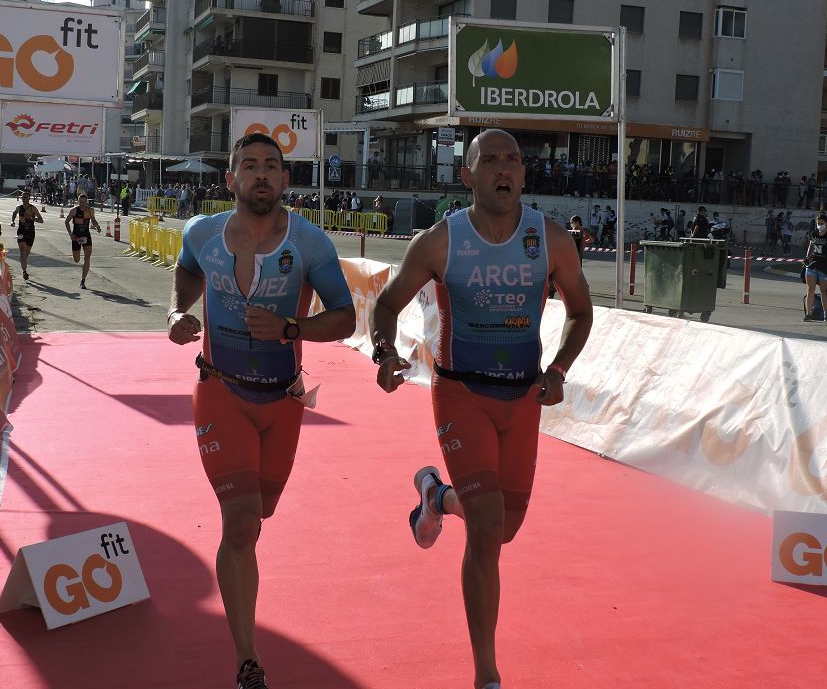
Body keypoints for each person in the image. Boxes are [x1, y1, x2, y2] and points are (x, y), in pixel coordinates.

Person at [370, 129, 593, 689]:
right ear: (465, 175)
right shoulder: (440, 242)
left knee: (505, 529)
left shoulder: (553, 240)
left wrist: (559, 368)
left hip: (522, 399)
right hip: (461, 392)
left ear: (523, 174)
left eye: (512, 159)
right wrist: (384, 354)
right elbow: (388, 303)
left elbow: (580, 313)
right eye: (488, 159)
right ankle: (487, 674)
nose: (503, 167)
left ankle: (436, 496)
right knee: (488, 526)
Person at [166, 133, 355, 689]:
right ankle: (247, 660)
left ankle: (242, 594)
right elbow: (185, 272)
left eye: (272, 166)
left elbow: (344, 318)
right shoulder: (201, 233)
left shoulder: (311, 244)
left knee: (260, 514)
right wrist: (178, 313)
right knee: (242, 520)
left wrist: (292, 328)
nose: (261, 175)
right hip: (220, 390)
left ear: (285, 180)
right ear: (231, 180)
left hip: (283, 401)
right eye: (249, 166)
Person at [801, 213, 827, 322]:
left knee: (824, 291)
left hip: (825, 267)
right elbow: (811, 246)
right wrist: (807, 257)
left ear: (826, 223)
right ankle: (809, 314)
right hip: (812, 265)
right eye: (818, 224)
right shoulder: (814, 233)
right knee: (810, 289)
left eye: (822, 223)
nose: (820, 226)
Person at [65, 193, 102, 289]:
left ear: (86, 202)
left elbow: (93, 220)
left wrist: (97, 226)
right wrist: (70, 234)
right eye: (80, 202)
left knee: (87, 257)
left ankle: (83, 280)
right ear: (78, 201)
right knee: (76, 260)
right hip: (76, 237)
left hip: (86, 236)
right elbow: (66, 222)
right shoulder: (73, 211)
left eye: (84, 202)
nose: (82, 204)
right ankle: (78, 259)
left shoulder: (90, 211)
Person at [10, 191, 44, 281]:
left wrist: (32, 218)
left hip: (30, 233)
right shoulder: (19, 208)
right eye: (23, 197)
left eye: (26, 197)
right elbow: (14, 213)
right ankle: (24, 271)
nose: (24, 199)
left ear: (29, 198)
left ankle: (24, 266)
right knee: (22, 252)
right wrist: (13, 221)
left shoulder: (33, 208)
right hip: (21, 232)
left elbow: (41, 220)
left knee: (26, 255)